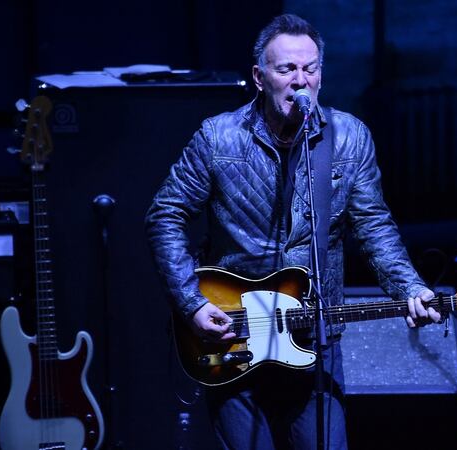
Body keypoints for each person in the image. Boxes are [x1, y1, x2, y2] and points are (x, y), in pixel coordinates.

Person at [145, 13, 440, 450]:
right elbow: (165, 214)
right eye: (286, 69)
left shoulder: (348, 138)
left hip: (312, 336)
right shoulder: (218, 138)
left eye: (311, 68)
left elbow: (373, 225)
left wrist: (409, 287)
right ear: (260, 77)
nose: (301, 80)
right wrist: (191, 304)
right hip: (233, 333)